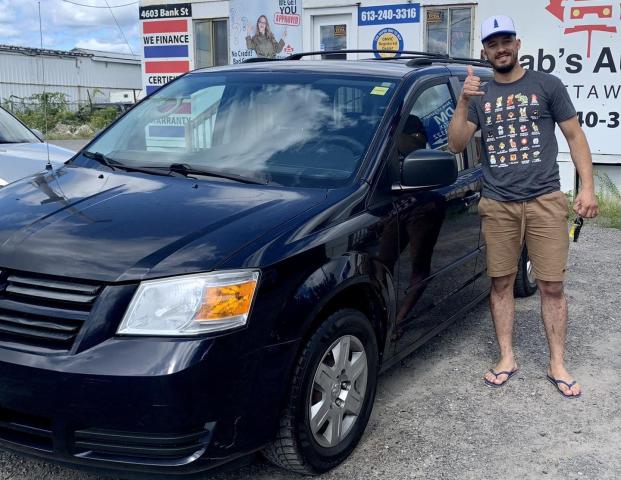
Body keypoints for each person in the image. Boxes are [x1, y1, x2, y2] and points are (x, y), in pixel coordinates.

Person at [447, 15, 598, 398]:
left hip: (545, 201)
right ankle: (507, 357)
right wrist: (463, 101)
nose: (500, 48)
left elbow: (575, 136)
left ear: (518, 44)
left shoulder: (547, 85)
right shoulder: (479, 95)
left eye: (506, 41)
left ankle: (557, 363)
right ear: (484, 51)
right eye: (492, 43)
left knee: (551, 285)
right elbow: (456, 144)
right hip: (498, 204)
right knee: (500, 283)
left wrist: (588, 188)